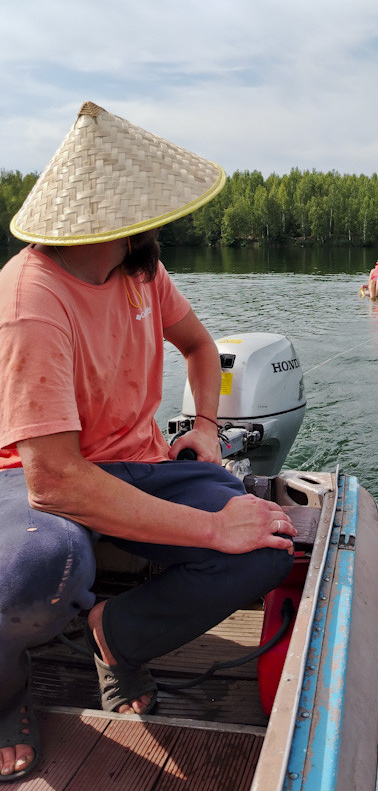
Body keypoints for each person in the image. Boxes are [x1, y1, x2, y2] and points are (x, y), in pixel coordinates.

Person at [0, 101, 296, 781]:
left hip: (137, 462)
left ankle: (116, 635)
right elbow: (55, 480)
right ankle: (7, 691)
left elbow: (199, 349)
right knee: (39, 566)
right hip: (31, 475)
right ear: (119, 215)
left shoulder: (140, 269)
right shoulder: (28, 303)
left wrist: (205, 431)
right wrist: (210, 528)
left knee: (269, 543)